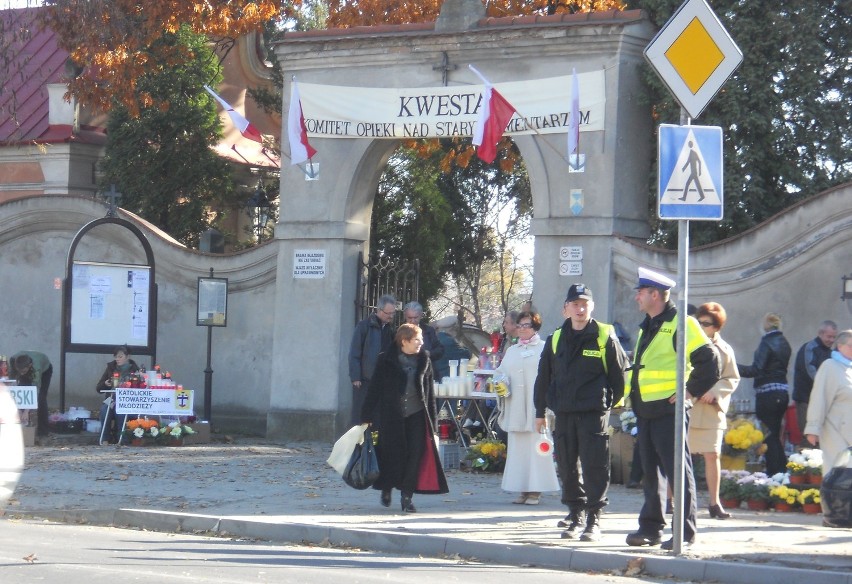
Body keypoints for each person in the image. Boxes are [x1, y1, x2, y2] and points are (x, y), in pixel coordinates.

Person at [626, 268, 719, 550]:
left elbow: (710, 362)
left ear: (655, 294)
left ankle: (685, 531)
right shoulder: (649, 323)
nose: (637, 298)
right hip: (646, 409)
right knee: (651, 474)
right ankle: (650, 528)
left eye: (640, 293)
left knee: (677, 470)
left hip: (670, 411)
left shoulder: (683, 323)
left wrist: (689, 391)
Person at [534, 284, 628, 541]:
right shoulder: (555, 339)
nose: (580, 308)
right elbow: (543, 377)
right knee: (567, 466)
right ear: (566, 309)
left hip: (593, 412)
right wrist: (539, 411)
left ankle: (594, 519)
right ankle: (575, 516)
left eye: (585, 303)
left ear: (592, 306)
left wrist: (610, 402)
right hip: (564, 411)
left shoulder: (604, 335)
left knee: (594, 465)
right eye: (575, 304)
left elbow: (619, 375)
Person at [360, 323, 448, 512]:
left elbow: (430, 393)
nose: (421, 343)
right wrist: (366, 416)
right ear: (404, 341)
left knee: (415, 455)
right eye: (418, 339)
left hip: (417, 414)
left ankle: (407, 496)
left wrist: (433, 423)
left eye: (421, 339)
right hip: (392, 416)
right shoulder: (386, 359)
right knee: (392, 454)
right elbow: (374, 389)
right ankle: (386, 487)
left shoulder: (424, 359)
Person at [496, 310, 559, 506]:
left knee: (537, 448)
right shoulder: (512, 350)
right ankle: (523, 489)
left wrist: (548, 405)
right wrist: (501, 383)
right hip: (516, 407)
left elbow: (552, 376)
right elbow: (501, 372)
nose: (523, 329)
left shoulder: (544, 348)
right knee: (519, 451)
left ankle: (536, 490)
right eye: (520, 325)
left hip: (536, 409)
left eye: (527, 326)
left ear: (535, 327)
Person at [689, 303, 740, 520]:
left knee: (712, 455)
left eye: (706, 324)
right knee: (680, 455)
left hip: (710, 409)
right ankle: (671, 501)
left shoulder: (725, 349)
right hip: (689, 406)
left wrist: (715, 392)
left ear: (716, 327)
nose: (701, 327)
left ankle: (714, 502)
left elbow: (732, 378)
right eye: (698, 322)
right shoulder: (688, 345)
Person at [739, 313, 792, 476]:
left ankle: (775, 473)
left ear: (765, 326)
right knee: (775, 435)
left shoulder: (766, 342)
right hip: (782, 392)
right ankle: (782, 472)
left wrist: (733, 367)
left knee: (769, 436)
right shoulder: (785, 343)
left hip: (767, 393)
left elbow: (756, 369)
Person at [804, 330, 852, 475]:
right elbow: (819, 398)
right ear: (840, 346)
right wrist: (813, 428)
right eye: (851, 346)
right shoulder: (830, 366)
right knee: (839, 474)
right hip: (836, 432)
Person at [349, 295, 397, 425]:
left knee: (378, 417)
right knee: (360, 416)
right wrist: (355, 377)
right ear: (379, 310)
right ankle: (358, 445)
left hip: (382, 380)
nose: (391, 316)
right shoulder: (364, 326)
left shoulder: (390, 330)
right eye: (388, 313)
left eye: (393, 313)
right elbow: (355, 352)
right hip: (365, 379)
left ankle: (374, 444)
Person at [793, 321, 837, 446]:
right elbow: (810, 371)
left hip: (823, 402)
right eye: (829, 336)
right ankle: (807, 465)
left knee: (822, 439)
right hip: (806, 400)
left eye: (834, 337)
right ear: (820, 334)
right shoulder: (810, 348)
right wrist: (827, 386)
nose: (832, 340)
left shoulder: (830, 353)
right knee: (809, 438)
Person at [95, 345, 140, 444]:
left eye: (120, 357)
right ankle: (105, 438)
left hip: (126, 399)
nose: (117, 359)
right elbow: (98, 387)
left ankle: (122, 438)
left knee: (121, 412)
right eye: (116, 357)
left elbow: (139, 387)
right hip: (111, 398)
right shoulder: (111, 367)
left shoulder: (135, 370)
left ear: (128, 357)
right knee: (104, 410)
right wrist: (105, 384)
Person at [9, 351, 53, 437]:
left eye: (23, 371)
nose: (21, 374)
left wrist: (26, 411)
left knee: (41, 398)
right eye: (19, 371)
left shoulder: (36, 368)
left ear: (29, 366)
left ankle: (43, 432)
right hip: (26, 368)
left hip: (45, 371)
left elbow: (35, 390)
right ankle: (23, 426)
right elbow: (11, 386)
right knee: (22, 392)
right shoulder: (13, 361)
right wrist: (18, 409)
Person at [403, 301, 445, 373]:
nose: (412, 321)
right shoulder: (399, 332)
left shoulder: (429, 331)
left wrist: (429, 354)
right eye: (409, 318)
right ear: (405, 316)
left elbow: (440, 350)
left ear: (421, 316)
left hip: (427, 372)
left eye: (415, 317)